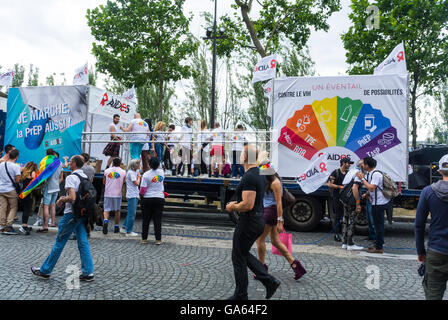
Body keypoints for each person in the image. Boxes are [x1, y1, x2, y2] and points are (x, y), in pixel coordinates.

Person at [225, 144, 280, 300]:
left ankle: (242, 294)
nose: (240, 156)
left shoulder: (250, 176)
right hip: (258, 219)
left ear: (244, 157)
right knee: (241, 253)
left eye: (242, 154)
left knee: (238, 255)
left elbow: (247, 204)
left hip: (249, 221)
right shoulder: (260, 173)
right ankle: (268, 281)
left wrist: (232, 207)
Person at [31, 155, 94, 281]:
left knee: (59, 242)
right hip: (82, 214)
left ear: (75, 164)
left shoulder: (71, 177)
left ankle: (45, 270)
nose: (69, 163)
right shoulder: (85, 177)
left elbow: (72, 197)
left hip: (71, 214)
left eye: (70, 161)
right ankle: (88, 272)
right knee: (83, 242)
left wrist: (61, 199)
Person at [255, 157, 306, 281]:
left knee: (260, 240)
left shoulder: (275, 183)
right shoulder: (268, 181)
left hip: (271, 212)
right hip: (268, 211)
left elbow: (279, 203)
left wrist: (280, 221)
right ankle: (296, 266)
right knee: (275, 242)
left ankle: (261, 269)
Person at [415, 154, 448, 300]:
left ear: (439, 171)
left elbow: (419, 225)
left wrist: (421, 252)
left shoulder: (428, 192)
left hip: (436, 250)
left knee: (433, 294)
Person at [355, 156, 388, 254]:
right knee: (377, 225)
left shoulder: (376, 174)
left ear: (367, 165)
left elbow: (372, 187)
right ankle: (377, 244)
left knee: (378, 226)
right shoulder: (371, 173)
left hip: (379, 203)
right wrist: (367, 194)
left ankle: (379, 248)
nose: (362, 165)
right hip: (376, 202)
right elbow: (373, 188)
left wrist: (362, 179)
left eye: (364, 164)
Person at [140, 157, 165, 245]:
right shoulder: (162, 173)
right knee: (157, 220)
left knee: (146, 219)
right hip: (159, 197)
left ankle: (144, 238)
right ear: (158, 165)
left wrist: (141, 196)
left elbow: (142, 190)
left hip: (148, 198)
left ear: (149, 165)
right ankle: (158, 239)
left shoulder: (146, 175)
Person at [38, 149, 64, 232]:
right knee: (53, 205)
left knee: (46, 206)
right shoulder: (60, 163)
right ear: (53, 154)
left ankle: (45, 225)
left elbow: (42, 175)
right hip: (56, 186)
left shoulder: (47, 162)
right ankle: (52, 222)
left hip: (48, 186)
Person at [328, 158, 353, 242]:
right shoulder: (335, 172)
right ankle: (336, 234)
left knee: (346, 216)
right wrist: (340, 187)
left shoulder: (348, 173)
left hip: (346, 198)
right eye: (348, 163)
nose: (349, 165)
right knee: (338, 216)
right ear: (343, 163)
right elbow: (330, 184)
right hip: (337, 197)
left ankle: (345, 233)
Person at [102, 157, 126, 235]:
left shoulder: (106, 171)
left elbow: (104, 182)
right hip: (117, 194)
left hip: (108, 193)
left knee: (106, 210)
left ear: (112, 162)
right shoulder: (123, 172)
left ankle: (105, 221)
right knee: (117, 210)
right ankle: (116, 227)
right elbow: (124, 181)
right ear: (120, 163)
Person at [0, 149, 21, 235]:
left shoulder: (1, 164)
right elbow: (17, 180)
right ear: (17, 157)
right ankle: (9, 226)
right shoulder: (16, 166)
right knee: (13, 207)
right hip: (10, 189)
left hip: (1, 189)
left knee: (2, 207)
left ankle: (2, 225)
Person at [121, 159, 141, 237]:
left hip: (133, 194)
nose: (140, 166)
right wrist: (139, 177)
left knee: (130, 213)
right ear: (135, 165)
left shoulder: (133, 172)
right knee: (132, 214)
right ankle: (129, 231)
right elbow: (136, 183)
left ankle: (124, 227)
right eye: (139, 164)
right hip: (132, 195)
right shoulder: (132, 173)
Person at [18, 162, 37, 235]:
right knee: (27, 209)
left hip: (23, 193)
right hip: (29, 193)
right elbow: (35, 182)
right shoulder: (33, 172)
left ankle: (24, 225)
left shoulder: (23, 172)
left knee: (25, 209)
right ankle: (24, 226)